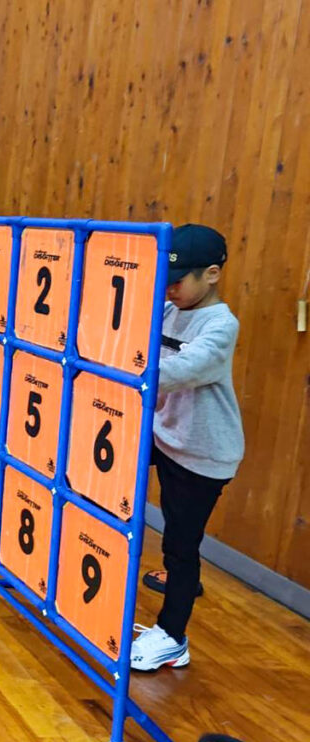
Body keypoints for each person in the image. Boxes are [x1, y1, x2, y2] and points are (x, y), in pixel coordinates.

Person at [130, 224, 245, 671]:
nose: (170, 289)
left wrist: (130, 365)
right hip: (164, 434)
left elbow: (175, 370)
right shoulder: (167, 309)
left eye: (179, 281)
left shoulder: (220, 324)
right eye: (165, 280)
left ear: (212, 274)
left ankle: (173, 637)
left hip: (203, 454)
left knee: (180, 546)